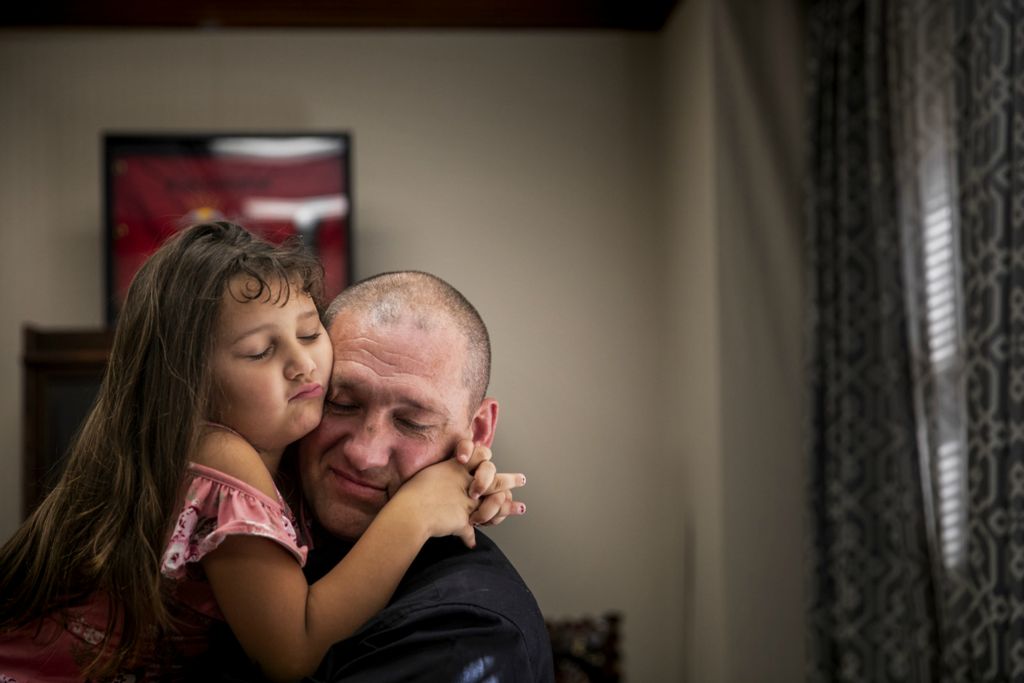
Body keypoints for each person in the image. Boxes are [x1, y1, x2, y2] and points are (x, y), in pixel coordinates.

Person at [0, 222, 522, 682]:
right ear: (192, 384)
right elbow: (291, 653)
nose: (303, 366)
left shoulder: (281, 445)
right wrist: (414, 514)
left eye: (310, 333)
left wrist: (470, 481)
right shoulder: (223, 456)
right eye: (260, 351)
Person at [292, 271, 554, 681]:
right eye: (339, 403)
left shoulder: (467, 632)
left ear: (479, 431)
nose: (364, 454)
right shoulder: (257, 513)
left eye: (413, 423)